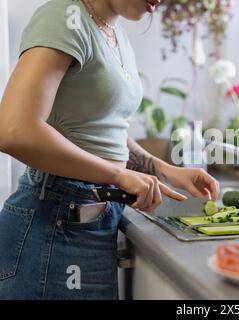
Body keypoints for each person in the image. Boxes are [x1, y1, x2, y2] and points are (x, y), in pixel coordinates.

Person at [0, 0, 219, 299]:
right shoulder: (65, 16)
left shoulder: (114, 32)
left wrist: (164, 169)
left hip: (91, 217)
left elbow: (100, 131)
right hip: (55, 219)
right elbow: (14, 130)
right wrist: (117, 175)